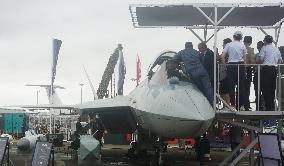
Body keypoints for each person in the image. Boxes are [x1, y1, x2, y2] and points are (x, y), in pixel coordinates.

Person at [174, 42, 213, 106]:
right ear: (192, 46)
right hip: (202, 71)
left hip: (193, 74)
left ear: (185, 46)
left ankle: (204, 105)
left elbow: (174, 59)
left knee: (199, 90)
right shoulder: (196, 52)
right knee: (208, 88)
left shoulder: (182, 52)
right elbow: (202, 60)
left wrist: (180, 63)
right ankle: (212, 104)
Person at [221, 31, 247, 111]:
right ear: (241, 38)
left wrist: (226, 66)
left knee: (231, 86)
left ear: (234, 37)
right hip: (240, 65)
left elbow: (222, 57)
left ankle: (233, 105)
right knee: (241, 86)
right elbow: (245, 59)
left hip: (231, 65)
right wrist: (244, 68)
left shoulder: (229, 45)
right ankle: (241, 105)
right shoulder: (243, 45)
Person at [258, 35, 283, 111]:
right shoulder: (276, 49)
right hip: (274, 69)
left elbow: (261, 59)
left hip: (266, 69)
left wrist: (257, 63)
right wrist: (275, 63)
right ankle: (271, 106)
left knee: (265, 88)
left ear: (265, 41)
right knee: (272, 88)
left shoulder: (264, 48)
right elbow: (281, 61)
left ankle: (268, 106)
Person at [219, 38, 232, 108]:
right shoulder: (226, 52)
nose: (222, 45)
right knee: (223, 91)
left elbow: (221, 58)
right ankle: (225, 106)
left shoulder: (228, 53)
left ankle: (227, 106)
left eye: (223, 44)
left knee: (226, 91)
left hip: (226, 75)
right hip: (223, 75)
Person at [243, 36, 255, 111]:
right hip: (247, 69)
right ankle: (246, 105)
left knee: (240, 87)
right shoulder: (250, 50)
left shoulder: (240, 48)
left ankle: (239, 104)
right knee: (247, 88)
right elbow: (252, 61)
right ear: (250, 42)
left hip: (239, 69)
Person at [253, 41, 264, 111]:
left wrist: (256, 63)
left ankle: (263, 105)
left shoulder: (265, 53)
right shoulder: (256, 55)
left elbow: (261, 62)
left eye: (259, 46)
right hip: (257, 73)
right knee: (257, 91)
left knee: (264, 90)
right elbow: (254, 64)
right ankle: (258, 106)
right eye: (257, 46)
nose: (258, 47)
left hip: (263, 73)